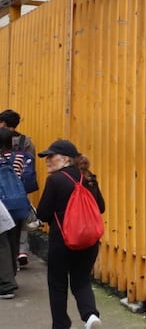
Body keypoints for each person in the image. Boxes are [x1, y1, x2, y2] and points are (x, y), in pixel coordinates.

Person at [36, 140, 105, 329]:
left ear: (66, 159)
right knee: (81, 280)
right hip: (89, 241)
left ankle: (61, 325)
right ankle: (90, 316)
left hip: (62, 242)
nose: (47, 160)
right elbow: (101, 207)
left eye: (51, 156)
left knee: (57, 284)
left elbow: (42, 213)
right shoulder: (89, 178)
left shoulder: (55, 180)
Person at [0, 109, 35, 269]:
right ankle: (21, 251)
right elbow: (30, 164)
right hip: (19, 187)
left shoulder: (2, 139)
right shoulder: (25, 141)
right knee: (20, 219)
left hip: (3, 192)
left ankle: (8, 265)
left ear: (3, 123)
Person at [0, 128, 27, 277]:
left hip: (2, 204)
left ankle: (5, 275)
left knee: (2, 242)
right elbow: (19, 175)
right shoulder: (18, 157)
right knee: (14, 238)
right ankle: (13, 268)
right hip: (17, 203)